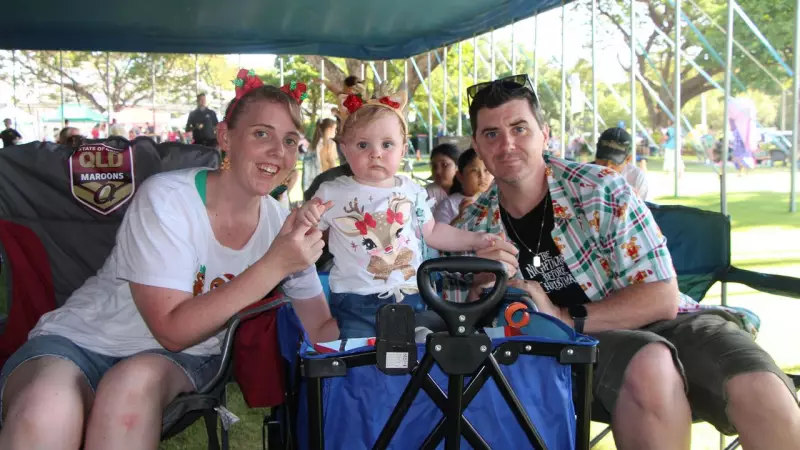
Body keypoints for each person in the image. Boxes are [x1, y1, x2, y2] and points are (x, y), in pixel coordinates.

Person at [445, 74, 800, 449]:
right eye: (491, 135)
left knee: (759, 384)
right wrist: (480, 290)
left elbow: (662, 297)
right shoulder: (471, 229)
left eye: (520, 128)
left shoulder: (600, 189)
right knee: (651, 362)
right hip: (572, 351)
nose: (507, 144)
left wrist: (562, 315)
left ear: (545, 134)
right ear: (477, 148)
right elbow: (454, 324)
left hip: (674, 319)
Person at [0, 70, 338, 450]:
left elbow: (320, 325)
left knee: (128, 396)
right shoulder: (167, 198)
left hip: (182, 358)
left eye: (290, 140)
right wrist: (275, 264)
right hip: (82, 338)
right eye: (262, 133)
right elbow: (171, 327)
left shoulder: (282, 226)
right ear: (226, 137)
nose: (278, 151)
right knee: (45, 409)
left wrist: (378, 343)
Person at [297, 83, 498, 338]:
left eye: (387, 144)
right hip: (355, 300)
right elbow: (308, 236)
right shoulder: (331, 192)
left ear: (403, 150)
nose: (375, 154)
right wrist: (306, 219)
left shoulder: (411, 190)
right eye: (362, 145)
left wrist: (475, 240)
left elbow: (433, 231)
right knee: (360, 358)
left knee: (411, 356)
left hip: (408, 296)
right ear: (344, 149)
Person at [433, 148, 493, 225]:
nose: (482, 176)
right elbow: (439, 236)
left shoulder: (499, 200)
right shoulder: (448, 205)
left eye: (487, 170)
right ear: (460, 177)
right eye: (474, 171)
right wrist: (460, 218)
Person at [592, 127, 649, 200]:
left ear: (628, 159)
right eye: (602, 160)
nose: (607, 166)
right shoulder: (583, 174)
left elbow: (642, 209)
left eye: (614, 162)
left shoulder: (637, 178)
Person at [424, 143, 460, 208]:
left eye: (444, 165)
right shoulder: (429, 193)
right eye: (434, 166)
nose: (438, 171)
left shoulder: (468, 190)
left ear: (457, 167)